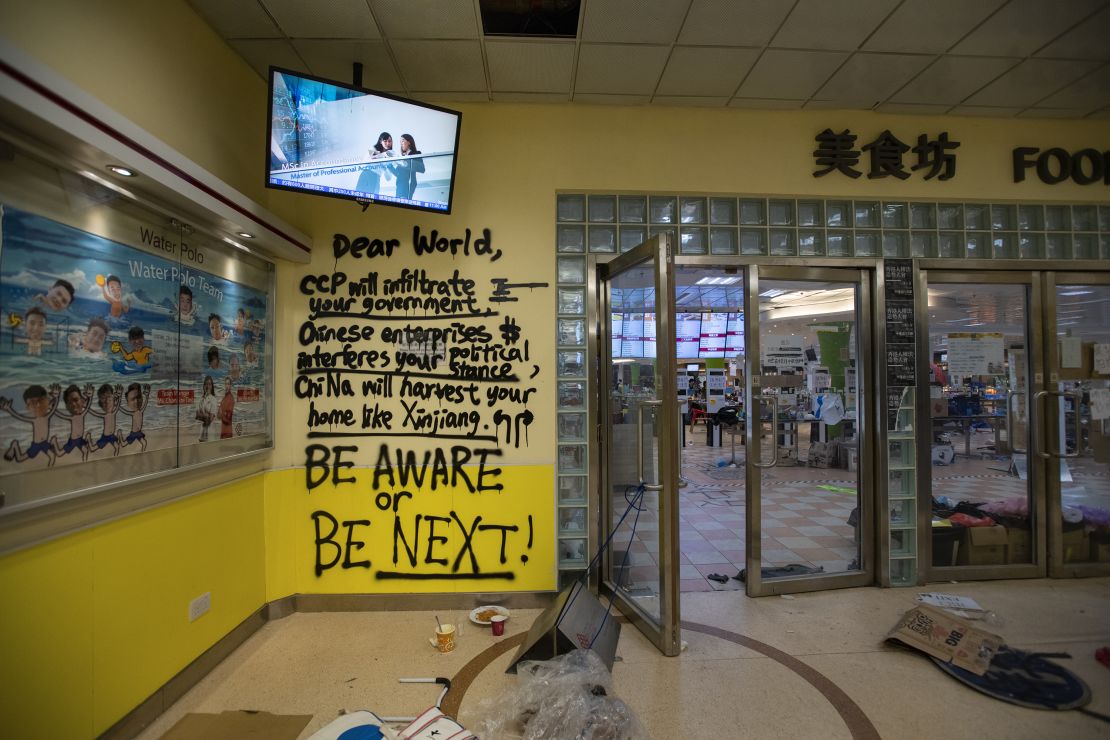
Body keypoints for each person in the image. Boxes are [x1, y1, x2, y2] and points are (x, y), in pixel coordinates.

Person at [0, 384, 60, 466]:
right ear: (28, 407)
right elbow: (19, 417)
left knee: (52, 456)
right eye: (33, 404)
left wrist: (56, 397)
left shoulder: (47, 416)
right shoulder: (34, 420)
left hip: (44, 443)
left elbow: (54, 408)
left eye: (40, 402)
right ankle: (14, 445)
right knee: (20, 458)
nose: (38, 406)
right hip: (36, 444)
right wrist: (9, 409)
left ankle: (50, 472)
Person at [53, 384, 95, 462]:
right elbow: (59, 414)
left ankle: (84, 463)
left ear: (82, 401)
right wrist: (56, 399)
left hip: (80, 439)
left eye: (76, 400)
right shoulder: (72, 418)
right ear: (66, 406)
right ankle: (54, 442)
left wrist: (90, 396)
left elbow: (88, 405)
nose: (73, 404)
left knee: (85, 451)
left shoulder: (82, 414)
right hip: (73, 440)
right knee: (59, 453)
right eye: (69, 402)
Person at [118, 383, 150, 452]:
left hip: (139, 432)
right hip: (134, 433)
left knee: (144, 443)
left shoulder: (141, 411)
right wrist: (117, 402)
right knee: (123, 444)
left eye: (138, 398)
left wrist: (147, 396)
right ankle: (120, 435)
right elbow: (123, 410)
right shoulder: (133, 413)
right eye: (133, 399)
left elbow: (145, 403)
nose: (136, 401)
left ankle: (143, 453)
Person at [394, 134, 425, 200]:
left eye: (402, 141)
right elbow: (397, 173)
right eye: (400, 142)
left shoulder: (416, 153)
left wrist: (405, 162)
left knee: (405, 204)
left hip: (409, 184)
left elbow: (422, 169)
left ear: (409, 142)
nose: (401, 143)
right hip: (399, 185)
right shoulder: (402, 157)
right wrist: (390, 165)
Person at [196, 375, 219, 442]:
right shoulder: (201, 399)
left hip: (209, 433)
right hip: (201, 433)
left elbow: (209, 420)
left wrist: (203, 415)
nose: (207, 386)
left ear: (212, 386)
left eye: (209, 384)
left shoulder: (213, 399)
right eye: (206, 384)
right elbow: (197, 415)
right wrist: (206, 414)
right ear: (203, 386)